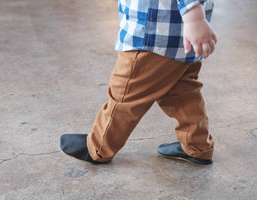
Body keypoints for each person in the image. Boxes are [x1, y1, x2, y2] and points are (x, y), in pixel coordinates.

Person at [60, 0, 217, 165]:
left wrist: (194, 18)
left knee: (126, 94)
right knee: (181, 92)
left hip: (154, 34)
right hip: (180, 37)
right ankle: (197, 146)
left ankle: (98, 147)